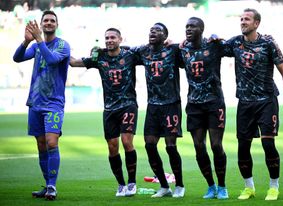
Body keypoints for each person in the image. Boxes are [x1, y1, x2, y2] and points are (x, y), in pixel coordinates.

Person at [223, 8, 283, 201]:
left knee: (267, 143)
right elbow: (213, 48)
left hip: (266, 101)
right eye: (241, 19)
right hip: (245, 103)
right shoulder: (235, 43)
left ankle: (274, 187)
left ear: (256, 23)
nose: (242, 22)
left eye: (247, 19)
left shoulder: (268, 43)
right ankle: (249, 188)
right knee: (242, 147)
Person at [69, 28, 139, 197]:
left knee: (126, 141)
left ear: (120, 39)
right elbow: (73, 63)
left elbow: (150, 54)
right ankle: (121, 184)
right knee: (112, 147)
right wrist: (62, 49)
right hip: (109, 109)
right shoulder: (99, 57)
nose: (109, 40)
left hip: (128, 105)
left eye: (112, 37)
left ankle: (132, 182)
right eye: (106, 38)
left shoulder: (130, 55)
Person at [13, 10, 70, 200]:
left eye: (52, 20)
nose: (48, 23)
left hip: (53, 103)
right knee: (40, 145)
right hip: (35, 103)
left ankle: (52, 187)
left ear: (57, 24)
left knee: (51, 142)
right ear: (42, 23)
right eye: (45, 20)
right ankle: (47, 185)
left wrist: (38, 40)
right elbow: (17, 58)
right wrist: (26, 41)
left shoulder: (63, 45)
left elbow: (52, 60)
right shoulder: (37, 45)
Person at [179, 17, 228, 199]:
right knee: (199, 146)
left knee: (216, 145)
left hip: (215, 102)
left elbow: (230, 47)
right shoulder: (182, 49)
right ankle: (211, 186)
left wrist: (219, 38)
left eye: (192, 26)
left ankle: (222, 186)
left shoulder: (213, 46)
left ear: (201, 29)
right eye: (187, 26)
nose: (188, 29)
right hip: (194, 104)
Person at [134, 23, 185, 198]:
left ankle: (179, 185)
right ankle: (164, 186)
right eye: (151, 30)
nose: (152, 33)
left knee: (171, 147)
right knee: (149, 145)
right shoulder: (143, 51)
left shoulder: (173, 50)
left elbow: (188, 47)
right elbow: (124, 51)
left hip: (171, 104)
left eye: (157, 31)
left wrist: (176, 43)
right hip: (153, 106)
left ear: (165, 36)